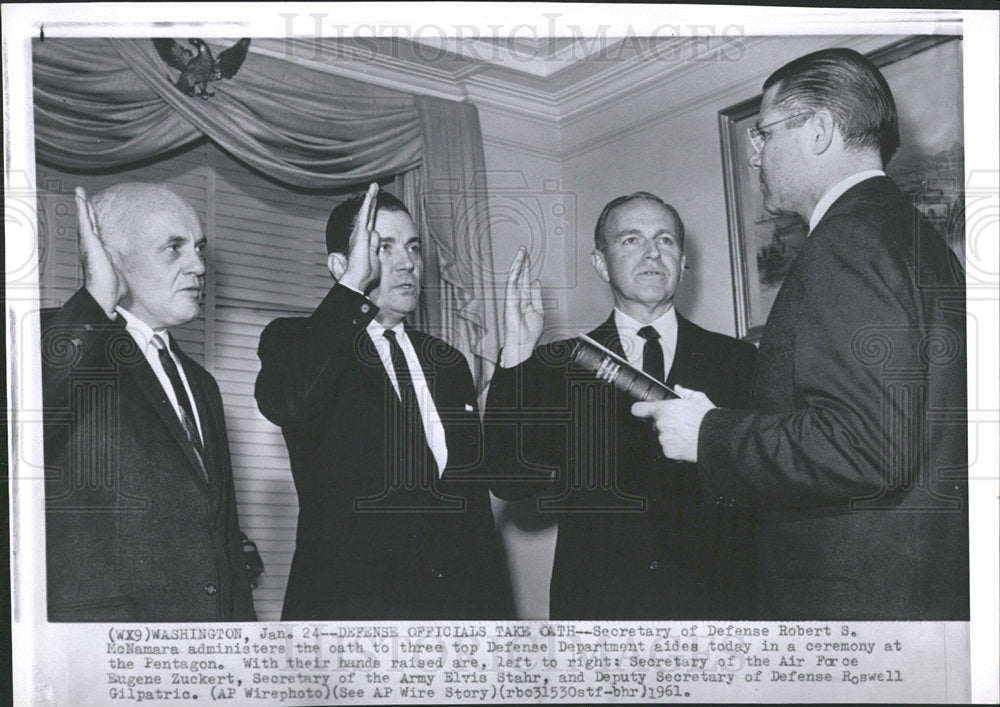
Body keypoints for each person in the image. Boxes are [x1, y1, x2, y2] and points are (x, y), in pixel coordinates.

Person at [632, 48, 968, 620]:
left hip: (854, 605)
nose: (754, 155)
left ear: (818, 131)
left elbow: (868, 447)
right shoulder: (912, 236)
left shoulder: (848, 241)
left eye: (763, 133)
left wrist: (709, 435)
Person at [486, 192, 758, 619]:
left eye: (666, 240)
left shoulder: (740, 362)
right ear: (600, 263)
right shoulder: (561, 363)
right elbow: (509, 480)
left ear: (684, 261)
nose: (652, 252)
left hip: (713, 608)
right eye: (631, 240)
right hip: (600, 611)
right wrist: (518, 352)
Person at [255, 184, 511, 620]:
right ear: (341, 265)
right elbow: (289, 403)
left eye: (412, 247)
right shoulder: (297, 341)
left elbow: (481, 495)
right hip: (351, 619)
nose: (408, 261)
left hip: (454, 620)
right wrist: (353, 287)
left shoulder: (446, 361)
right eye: (383, 248)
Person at [42, 183, 256, 622]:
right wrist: (97, 298)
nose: (198, 265)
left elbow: (222, 538)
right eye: (173, 248)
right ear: (112, 255)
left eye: (198, 247)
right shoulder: (59, 340)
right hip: (105, 657)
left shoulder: (202, 384)